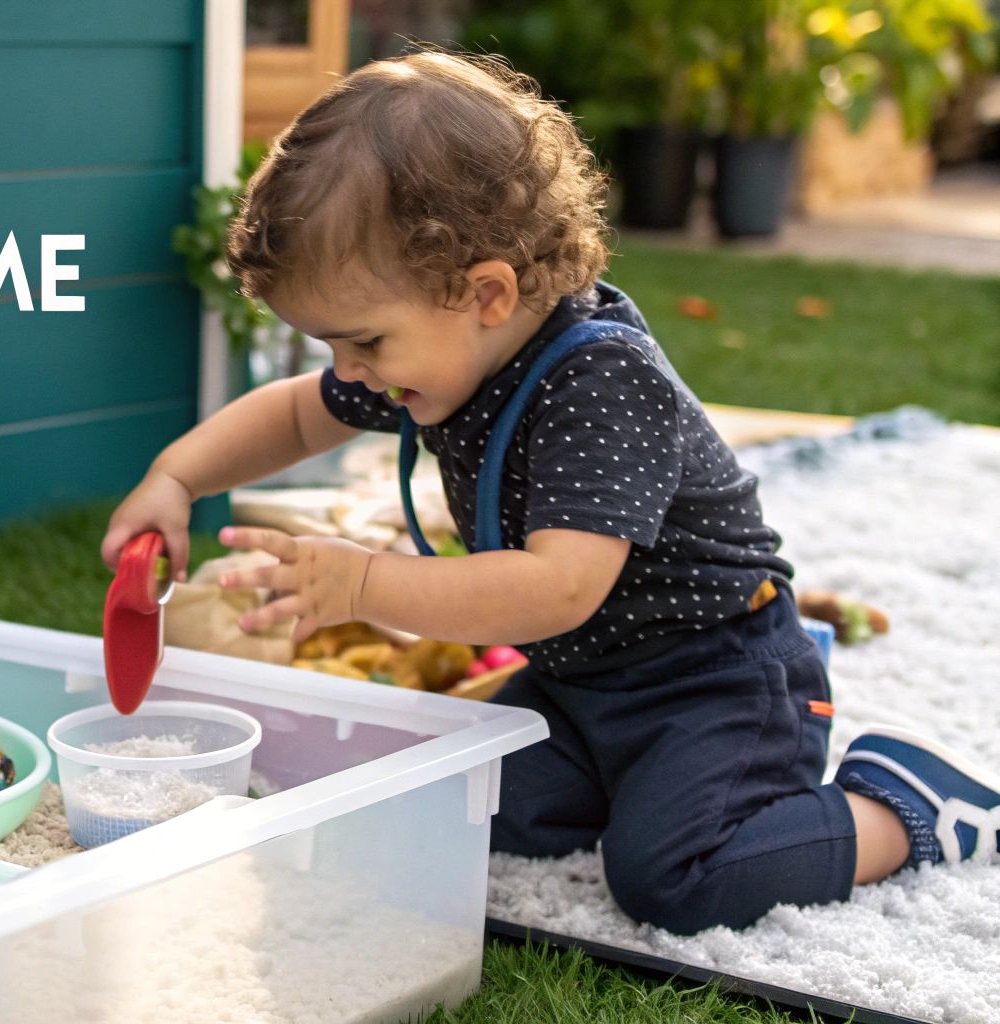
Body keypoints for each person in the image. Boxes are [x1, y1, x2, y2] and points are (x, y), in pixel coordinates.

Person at [101, 51, 1000, 934]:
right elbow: (299, 416)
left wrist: (362, 584)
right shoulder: (446, 350)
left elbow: (558, 587)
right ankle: (631, 786)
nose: (351, 373)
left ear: (486, 291)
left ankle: (904, 806)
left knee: (671, 879)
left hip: (716, 680)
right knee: (451, 804)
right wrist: (175, 479)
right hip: (582, 682)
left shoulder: (601, 379)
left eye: (364, 342)